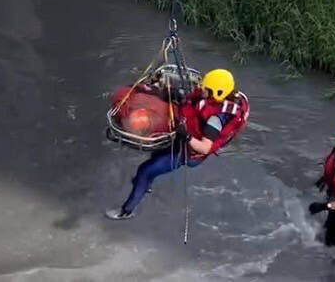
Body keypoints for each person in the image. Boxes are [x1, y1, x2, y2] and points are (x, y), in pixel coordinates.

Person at [106, 68, 250, 220]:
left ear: (217, 93)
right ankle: (145, 185)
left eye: (206, 89)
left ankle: (126, 211)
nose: (202, 90)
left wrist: (186, 135)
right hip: (184, 136)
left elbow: (205, 147)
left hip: (188, 152)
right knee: (156, 155)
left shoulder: (215, 120)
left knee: (145, 170)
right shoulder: (225, 97)